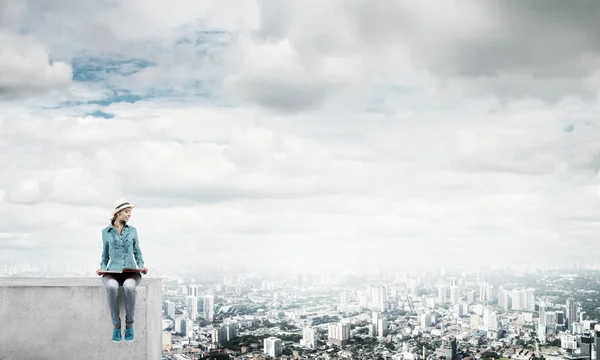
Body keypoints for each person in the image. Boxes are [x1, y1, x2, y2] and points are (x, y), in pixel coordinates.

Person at [96, 199, 149, 342]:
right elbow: (105, 255)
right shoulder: (105, 232)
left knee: (129, 286)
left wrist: (141, 266)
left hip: (131, 272)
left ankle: (130, 324)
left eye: (130, 212)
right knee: (112, 287)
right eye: (127, 212)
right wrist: (102, 268)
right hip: (112, 272)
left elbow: (138, 252)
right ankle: (116, 326)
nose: (129, 214)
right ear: (118, 212)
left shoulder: (133, 231)